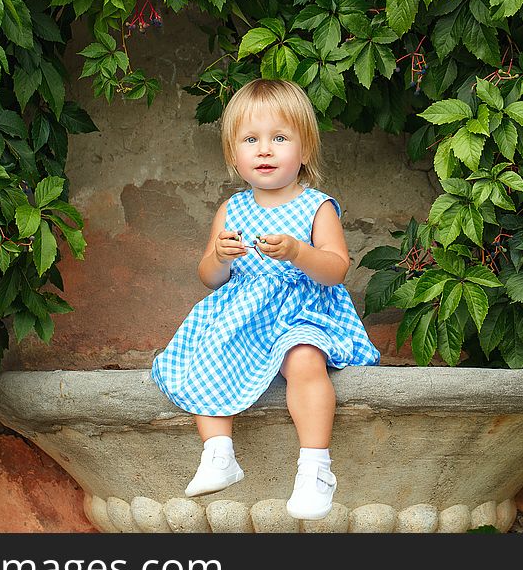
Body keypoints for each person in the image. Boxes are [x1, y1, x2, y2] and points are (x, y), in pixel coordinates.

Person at [151, 78, 380, 520]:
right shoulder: (231, 209)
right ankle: (219, 454)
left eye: (279, 138)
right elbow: (209, 278)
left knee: (304, 360)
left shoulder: (317, 206)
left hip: (302, 310)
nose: (264, 150)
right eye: (250, 140)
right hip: (244, 315)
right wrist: (219, 255)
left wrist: (297, 251)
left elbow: (336, 268)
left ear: (305, 150)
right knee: (204, 354)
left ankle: (316, 469)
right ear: (233, 155)